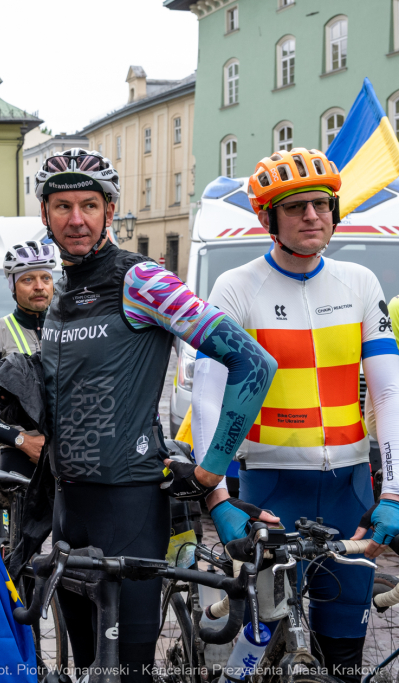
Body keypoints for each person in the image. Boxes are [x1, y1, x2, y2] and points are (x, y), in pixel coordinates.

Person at [34, 149, 278, 683]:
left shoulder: (141, 279)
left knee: (129, 671)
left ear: (110, 210)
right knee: (86, 668)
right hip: (67, 507)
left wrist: (211, 473)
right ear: (45, 214)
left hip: (128, 507)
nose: (76, 219)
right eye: (62, 206)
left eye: (89, 205)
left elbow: (254, 363)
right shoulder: (61, 289)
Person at [191, 148, 399, 683]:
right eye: (295, 207)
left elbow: (388, 392)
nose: (312, 216)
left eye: (321, 204)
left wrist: (394, 492)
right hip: (272, 490)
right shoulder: (237, 286)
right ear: (268, 219)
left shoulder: (360, 282)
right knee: (259, 637)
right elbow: (208, 395)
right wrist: (217, 497)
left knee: (345, 652)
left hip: (349, 488)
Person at [0, 240, 56, 478]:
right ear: (12, 286)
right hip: (19, 452)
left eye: (46, 278)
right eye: (28, 280)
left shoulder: (69, 330)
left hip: (69, 451)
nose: (39, 286)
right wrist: (20, 440)